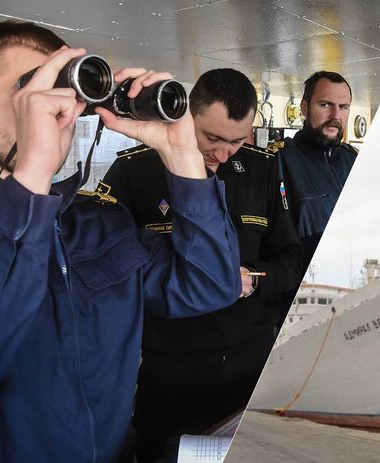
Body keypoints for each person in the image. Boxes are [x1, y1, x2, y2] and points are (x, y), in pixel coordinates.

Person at [0, 21, 240, 463]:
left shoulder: (100, 223)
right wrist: (30, 178)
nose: (53, 110)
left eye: (61, 92)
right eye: (31, 91)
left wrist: (182, 155)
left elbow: (210, 284)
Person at [99, 69, 303, 462]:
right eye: (212, 139)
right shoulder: (133, 170)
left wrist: (254, 281)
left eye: (237, 142)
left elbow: (291, 259)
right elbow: (111, 273)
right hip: (173, 370)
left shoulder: (262, 169)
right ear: (189, 115)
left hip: (251, 366)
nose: (223, 154)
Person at [277, 71, 357, 275]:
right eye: (325, 105)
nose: (335, 116)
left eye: (343, 107)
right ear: (304, 107)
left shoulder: (354, 160)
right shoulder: (279, 161)